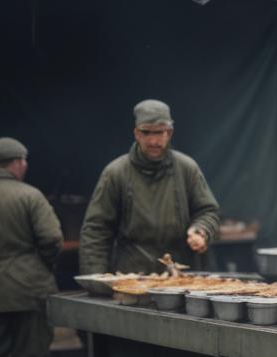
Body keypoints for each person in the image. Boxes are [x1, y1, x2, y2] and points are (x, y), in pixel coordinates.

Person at [79, 100, 220, 275]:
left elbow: (207, 211)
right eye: (146, 132)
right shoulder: (116, 173)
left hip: (182, 276)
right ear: (136, 134)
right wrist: (95, 279)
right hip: (132, 278)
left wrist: (200, 230)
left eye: (159, 132)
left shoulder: (186, 168)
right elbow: (96, 231)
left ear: (169, 133)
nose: (153, 140)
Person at [0, 138, 63, 357]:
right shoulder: (31, 196)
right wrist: (43, 265)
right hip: (31, 289)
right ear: (17, 162)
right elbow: (52, 238)